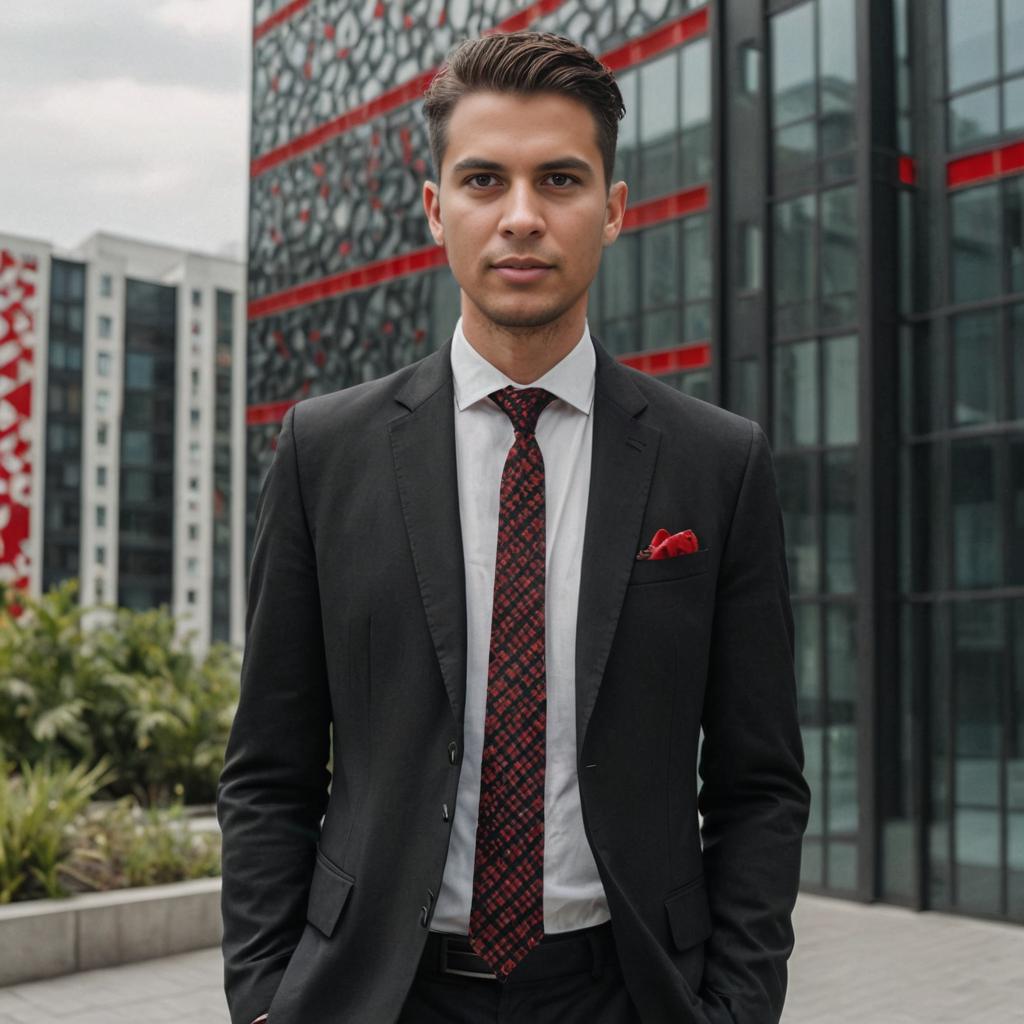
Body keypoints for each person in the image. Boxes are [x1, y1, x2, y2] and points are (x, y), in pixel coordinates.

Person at [217, 31, 810, 1024]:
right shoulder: (325, 451)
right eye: (484, 179)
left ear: (614, 209)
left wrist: (737, 1007)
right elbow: (268, 772)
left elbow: (760, 782)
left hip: (625, 990)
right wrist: (268, 1001)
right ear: (435, 209)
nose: (522, 218)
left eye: (561, 180)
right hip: (376, 994)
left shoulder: (718, 462)